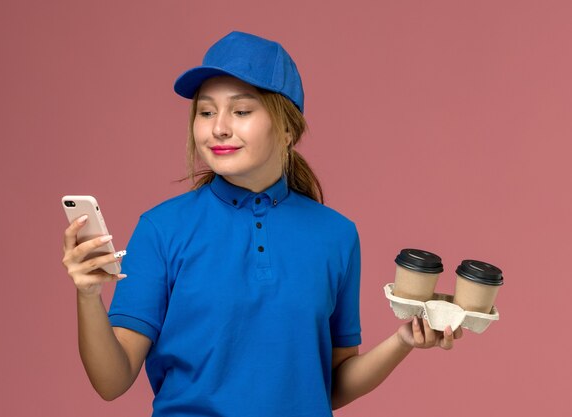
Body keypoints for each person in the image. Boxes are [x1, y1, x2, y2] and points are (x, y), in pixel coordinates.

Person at [62, 31, 462, 417]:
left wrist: (402, 340)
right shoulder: (161, 228)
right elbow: (111, 382)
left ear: (287, 129)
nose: (218, 127)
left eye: (241, 111)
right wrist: (88, 297)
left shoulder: (336, 235)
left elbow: (329, 385)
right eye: (205, 111)